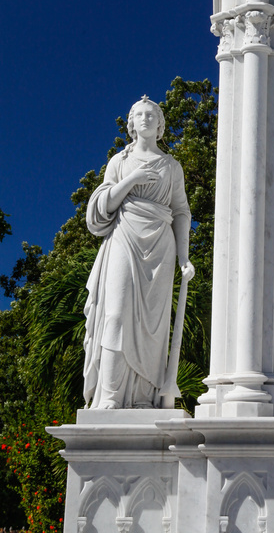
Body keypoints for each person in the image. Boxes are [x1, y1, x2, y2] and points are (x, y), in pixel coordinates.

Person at [83, 96, 195, 409]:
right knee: (116, 315)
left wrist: (184, 257)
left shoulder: (172, 167)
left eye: (152, 115)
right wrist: (131, 179)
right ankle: (111, 396)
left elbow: (181, 211)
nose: (146, 118)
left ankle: (143, 398)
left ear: (160, 125)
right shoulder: (119, 162)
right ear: (132, 124)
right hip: (125, 236)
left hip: (160, 246)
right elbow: (102, 206)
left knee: (153, 328)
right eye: (140, 114)